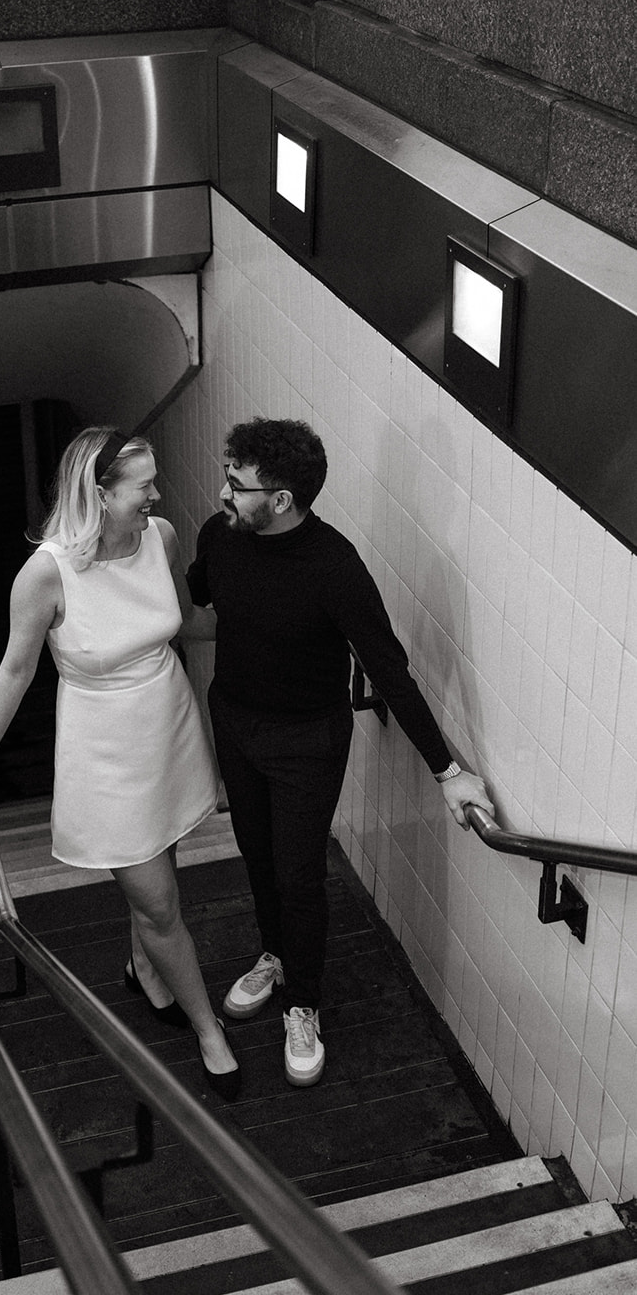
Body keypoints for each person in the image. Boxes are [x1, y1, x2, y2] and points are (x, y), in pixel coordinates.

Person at [185, 417, 494, 1089]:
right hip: (235, 720)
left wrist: (447, 769)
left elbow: (388, 669)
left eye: (236, 485)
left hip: (305, 739)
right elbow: (197, 596)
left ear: (282, 500)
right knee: (256, 852)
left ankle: (303, 1004)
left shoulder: (333, 568)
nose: (222, 493)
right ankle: (273, 957)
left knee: (298, 874)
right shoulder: (222, 536)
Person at [0, 427, 240, 1099]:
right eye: (143, 485)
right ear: (99, 494)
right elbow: (16, 667)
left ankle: (143, 964)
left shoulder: (159, 537)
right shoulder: (45, 572)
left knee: (160, 868)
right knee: (159, 900)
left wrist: (270, 606)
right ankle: (206, 1030)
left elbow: (189, 622)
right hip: (103, 751)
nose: (157, 494)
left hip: (168, 725)